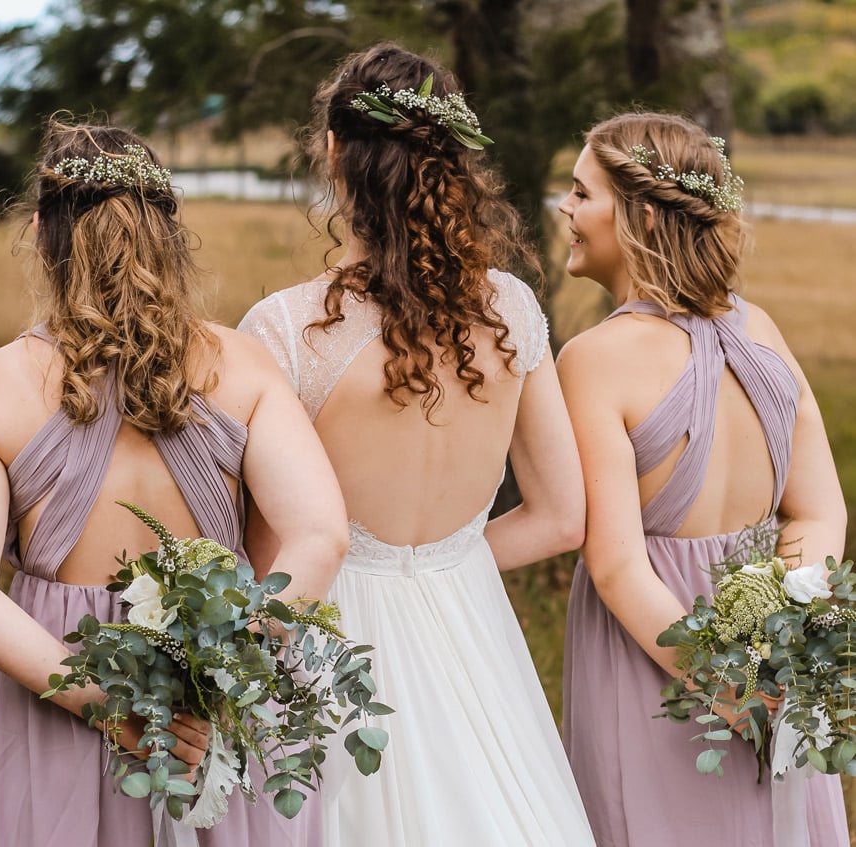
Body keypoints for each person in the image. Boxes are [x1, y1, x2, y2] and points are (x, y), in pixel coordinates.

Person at [237, 42, 595, 847]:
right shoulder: (511, 311)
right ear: (451, 163)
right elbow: (563, 517)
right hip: (470, 624)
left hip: (324, 645)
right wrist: (441, 561)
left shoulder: (288, 331)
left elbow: (263, 549)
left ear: (334, 152)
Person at [0, 119, 349, 847]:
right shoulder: (244, 364)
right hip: (218, 720)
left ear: (42, 232)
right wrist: (214, 672)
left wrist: (116, 705)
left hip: (66, 699)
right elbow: (320, 534)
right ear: (169, 231)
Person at [556, 110, 849, 847]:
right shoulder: (764, 331)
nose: (564, 208)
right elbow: (819, 515)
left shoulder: (594, 358)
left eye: (581, 192)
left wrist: (726, 681)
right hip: (774, 664)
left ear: (642, 218)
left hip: (649, 663)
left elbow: (620, 564)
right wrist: (781, 643)